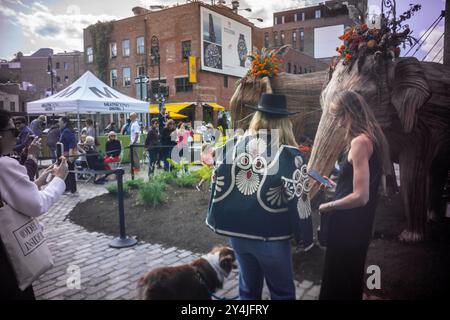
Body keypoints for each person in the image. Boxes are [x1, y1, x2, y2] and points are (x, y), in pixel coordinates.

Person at [207, 93, 313, 300]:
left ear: (257, 117)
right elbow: (299, 201)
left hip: (237, 234)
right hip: (271, 236)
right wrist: (303, 237)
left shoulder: (233, 145)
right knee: (282, 293)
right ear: (285, 122)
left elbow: (217, 178)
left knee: (247, 290)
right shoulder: (289, 155)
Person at [317, 90, 390, 300]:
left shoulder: (359, 143)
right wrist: (335, 185)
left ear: (351, 113)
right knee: (349, 277)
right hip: (358, 225)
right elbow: (360, 184)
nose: (339, 123)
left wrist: (327, 206)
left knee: (337, 281)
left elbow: (361, 196)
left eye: (341, 116)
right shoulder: (372, 139)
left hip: (348, 226)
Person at [0, 109, 69, 300]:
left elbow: (10, 197)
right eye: (13, 131)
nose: (18, 136)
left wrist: (38, 181)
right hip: (8, 260)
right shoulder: (4, 164)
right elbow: (37, 205)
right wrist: (59, 179)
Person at [59, 117, 78, 196]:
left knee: (70, 171)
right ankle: (68, 189)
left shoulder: (66, 131)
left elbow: (72, 143)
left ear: (65, 123)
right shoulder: (64, 130)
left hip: (67, 154)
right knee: (67, 171)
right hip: (65, 154)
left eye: (60, 122)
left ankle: (72, 190)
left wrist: (70, 155)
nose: (58, 123)